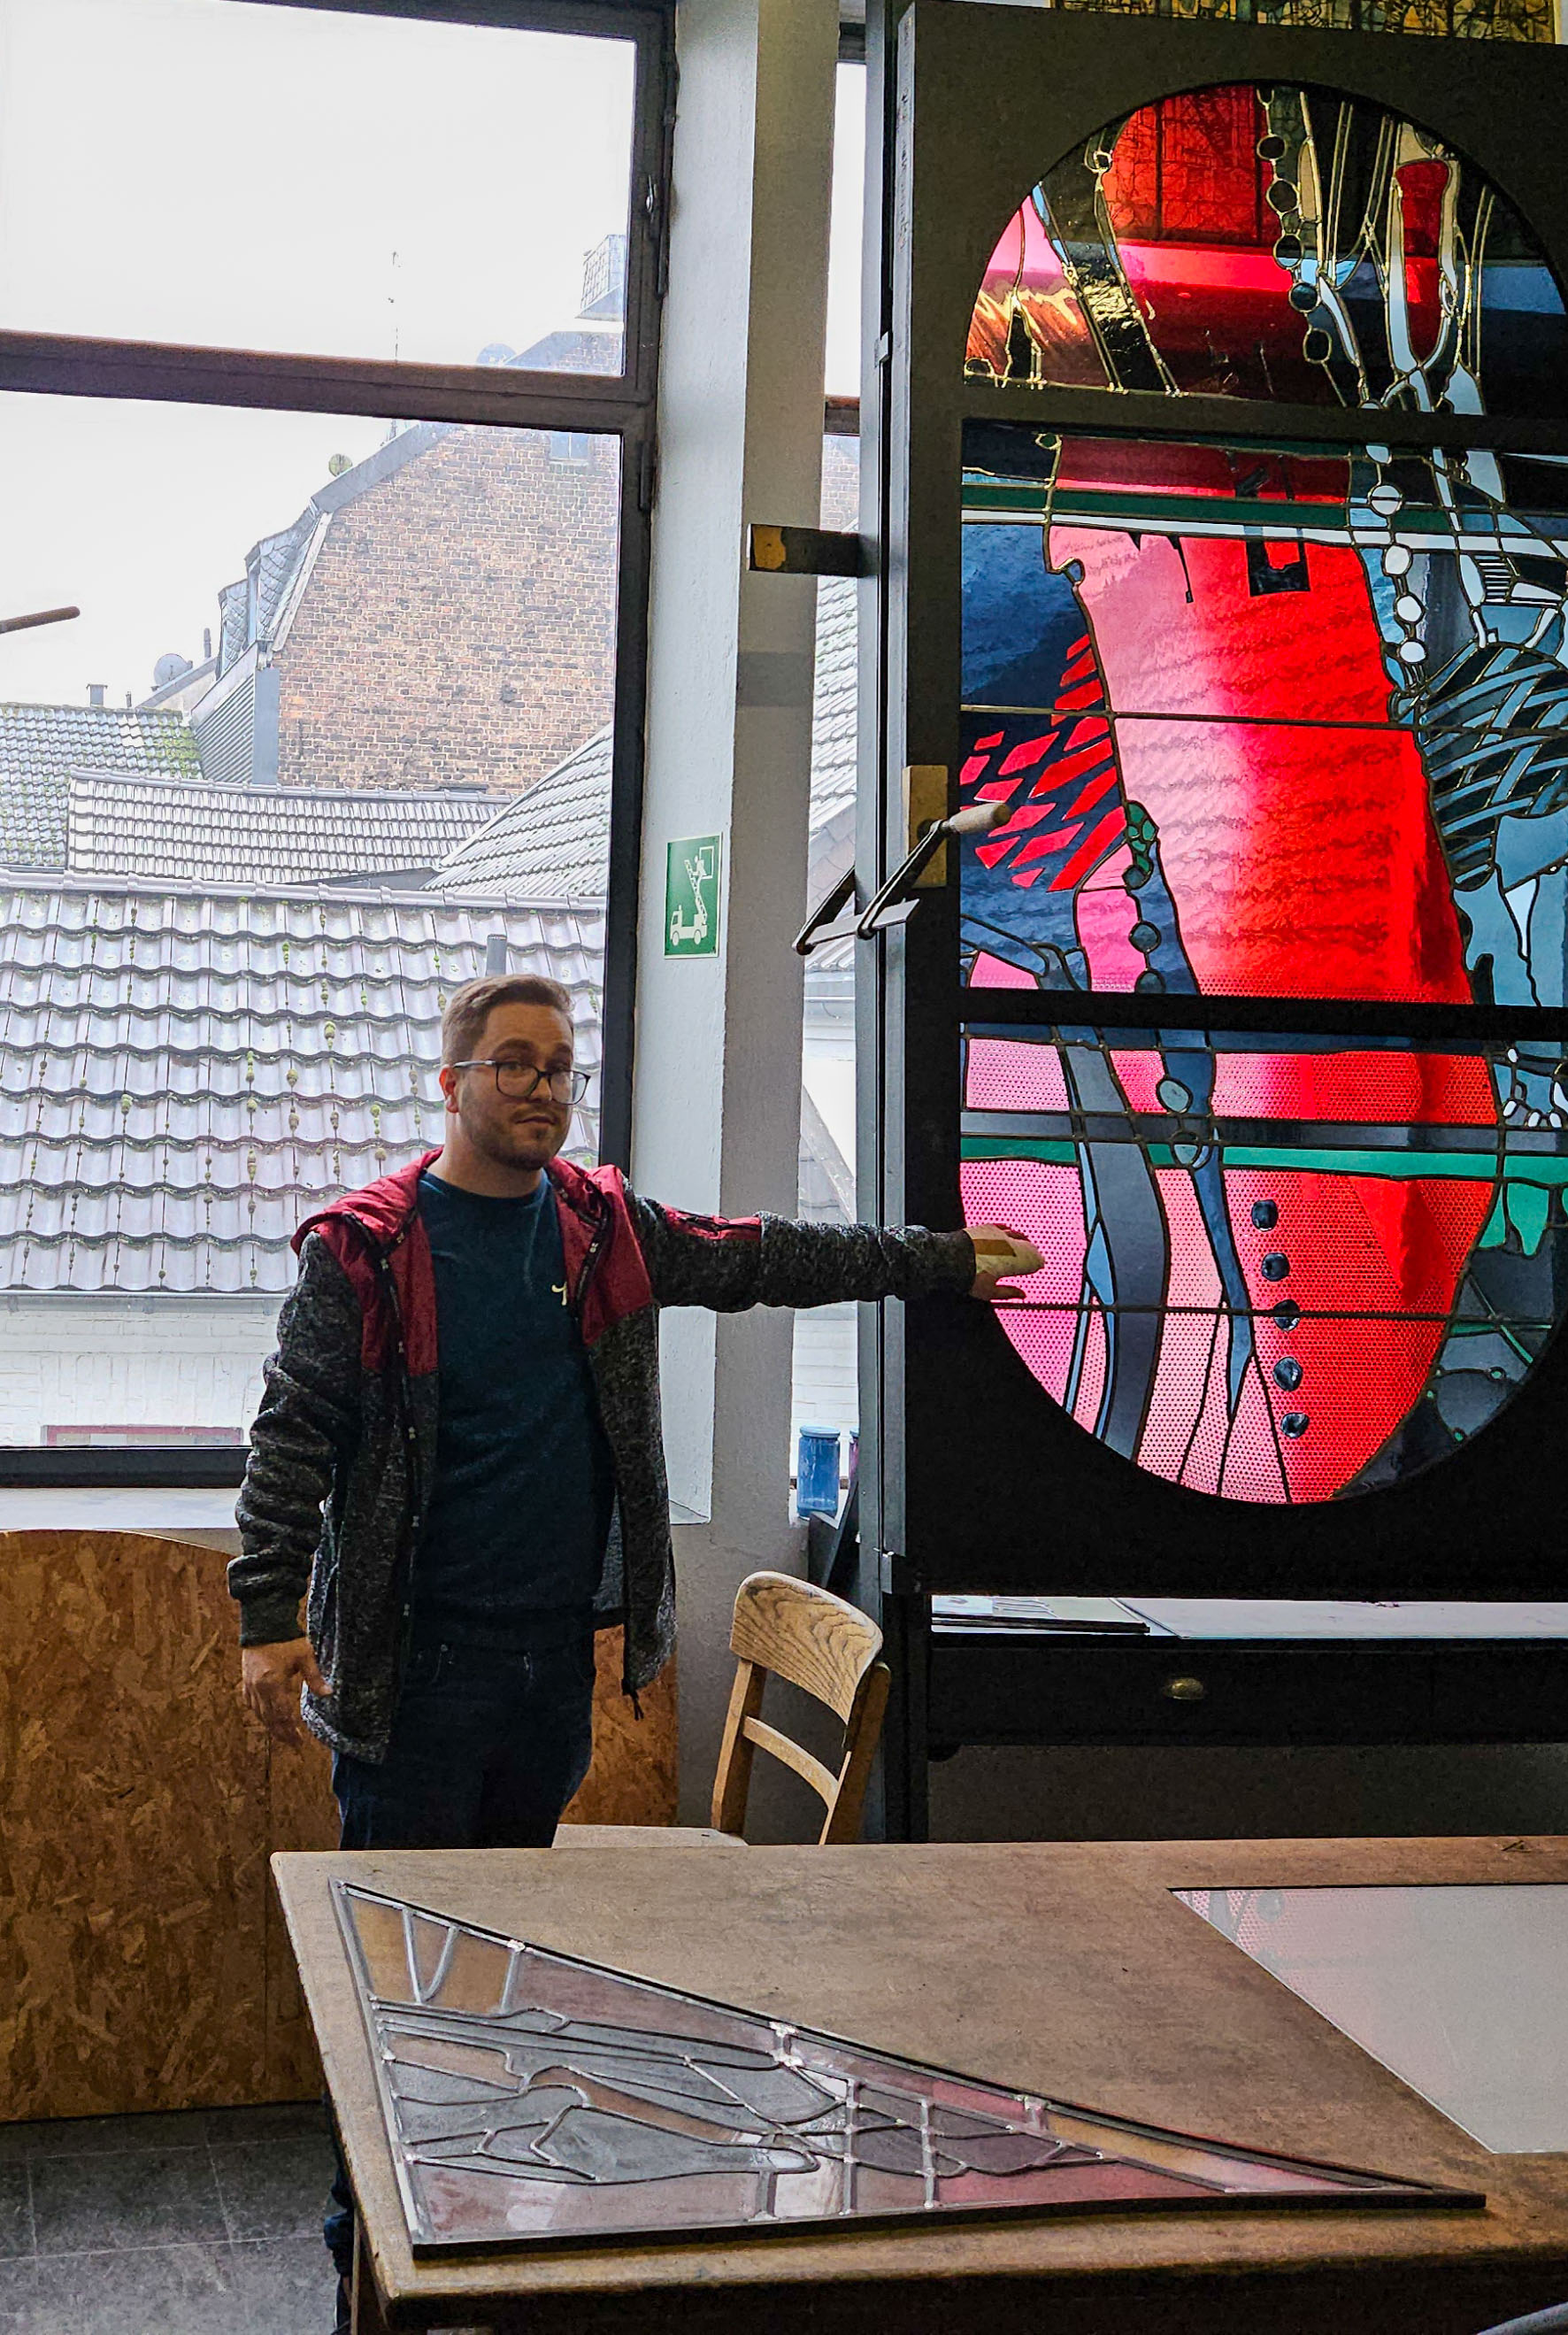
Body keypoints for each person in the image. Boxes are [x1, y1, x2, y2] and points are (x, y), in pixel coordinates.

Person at [227, 970, 1042, 2324]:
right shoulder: (367, 1251)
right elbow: (289, 1435)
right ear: (451, 1082)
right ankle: (359, 2241)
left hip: (549, 1673)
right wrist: (266, 1617)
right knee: (391, 1986)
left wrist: (940, 1260)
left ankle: (467, 2221)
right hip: (413, 1685)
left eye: (558, 1065)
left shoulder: (602, 1232)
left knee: (497, 1974)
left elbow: (769, 1255)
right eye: (512, 1062)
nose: (542, 1086)